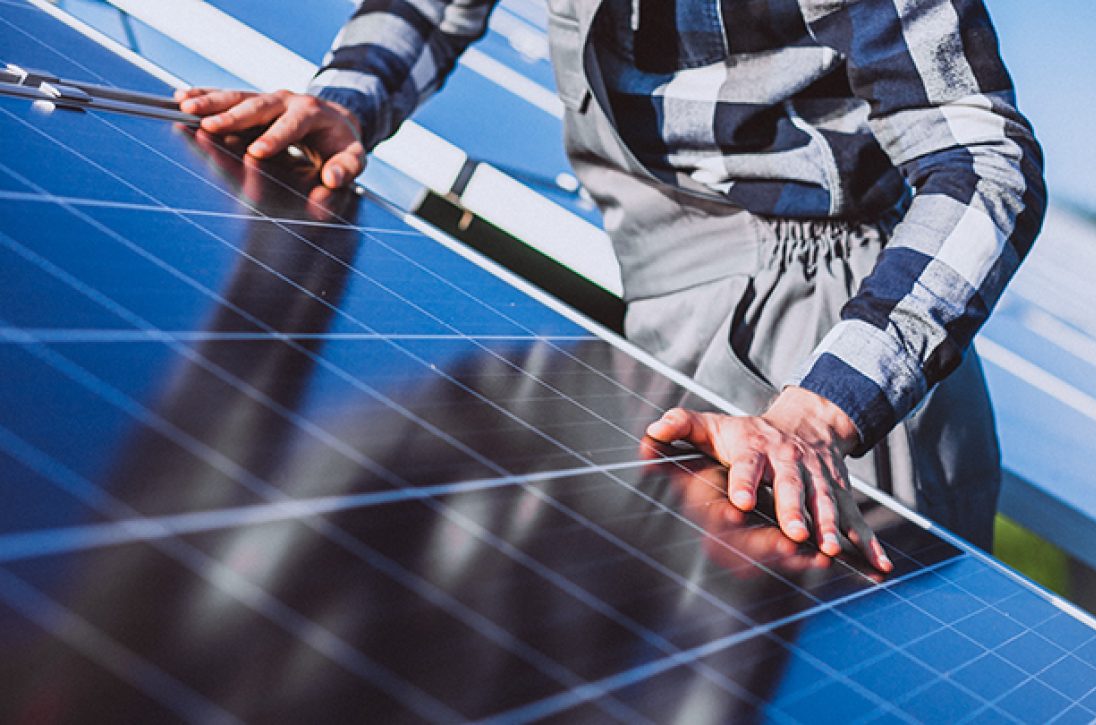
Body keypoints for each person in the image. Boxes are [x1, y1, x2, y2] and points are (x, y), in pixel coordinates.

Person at [177, 0, 1045, 572]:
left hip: (829, 351)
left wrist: (822, 408)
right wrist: (349, 98)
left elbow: (984, 163)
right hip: (666, 317)